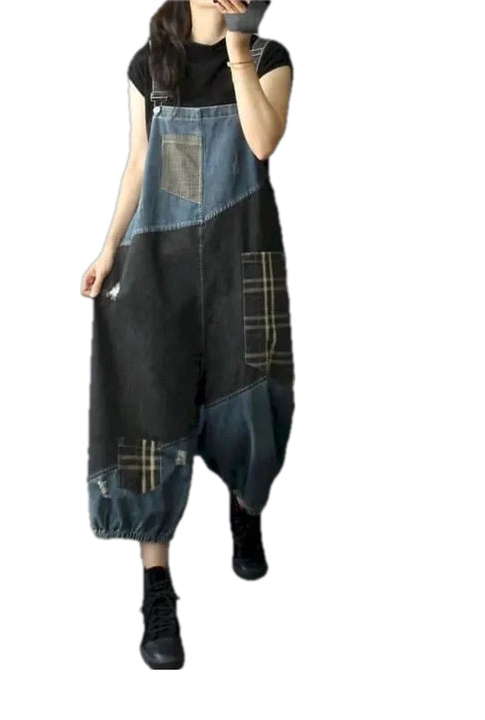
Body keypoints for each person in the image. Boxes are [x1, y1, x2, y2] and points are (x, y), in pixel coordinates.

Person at [81, 0, 295, 670]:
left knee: (253, 398)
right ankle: (157, 590)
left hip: (241, 258)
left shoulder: (268, 58)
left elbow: (262, 141)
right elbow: (139, 164)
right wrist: (108, 249)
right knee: (150, 412)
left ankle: (246, 504)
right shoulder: (150, 65)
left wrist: (237, 45)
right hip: (161, 262)